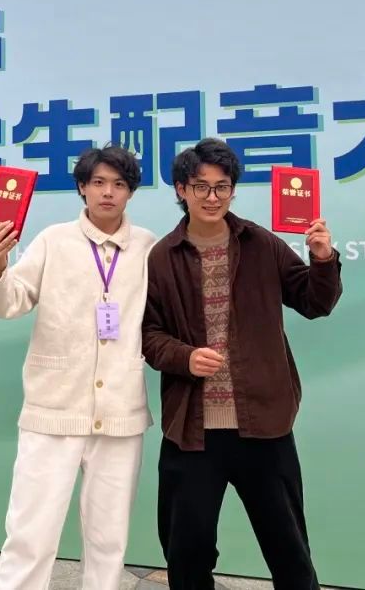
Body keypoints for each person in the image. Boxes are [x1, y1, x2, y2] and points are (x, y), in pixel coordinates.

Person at [142, 138, 343, 590]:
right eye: (201, 187)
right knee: (186, 552)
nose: (212, 197)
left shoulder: (261, 243)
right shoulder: (162, 256)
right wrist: (185, 357)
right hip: (192, 430)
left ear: (233, 190)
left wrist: (323, 259)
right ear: (181, 190)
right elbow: (149, 335)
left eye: (222, 187)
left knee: (289, 552)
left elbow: (315, 302)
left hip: (264, 425)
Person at [0, 144, 157, 590]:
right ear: (82, 188)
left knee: (109, 538)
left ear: (131, 192)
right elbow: (8, 302)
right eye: (98, 182)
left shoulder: (149, 248)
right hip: (52, 409)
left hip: (120, 413)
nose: (108, 192)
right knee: (30, 533)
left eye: (119, 184)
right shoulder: (53, 240)